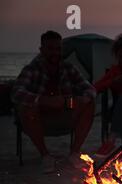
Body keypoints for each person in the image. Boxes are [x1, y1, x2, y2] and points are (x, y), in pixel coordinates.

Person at [11, 30, 96, 173]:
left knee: (89, 103)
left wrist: (81, 99)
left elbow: (90, 89)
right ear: (41, 50)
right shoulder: (32, 69)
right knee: (26, 107)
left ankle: (74, 153)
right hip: (38, 118)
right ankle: (45, 155)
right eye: (50, 49)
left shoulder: (68, 68)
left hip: (65, 112)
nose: (55, 53)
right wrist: (44, 100)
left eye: (58, 49)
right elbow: (16, 93)